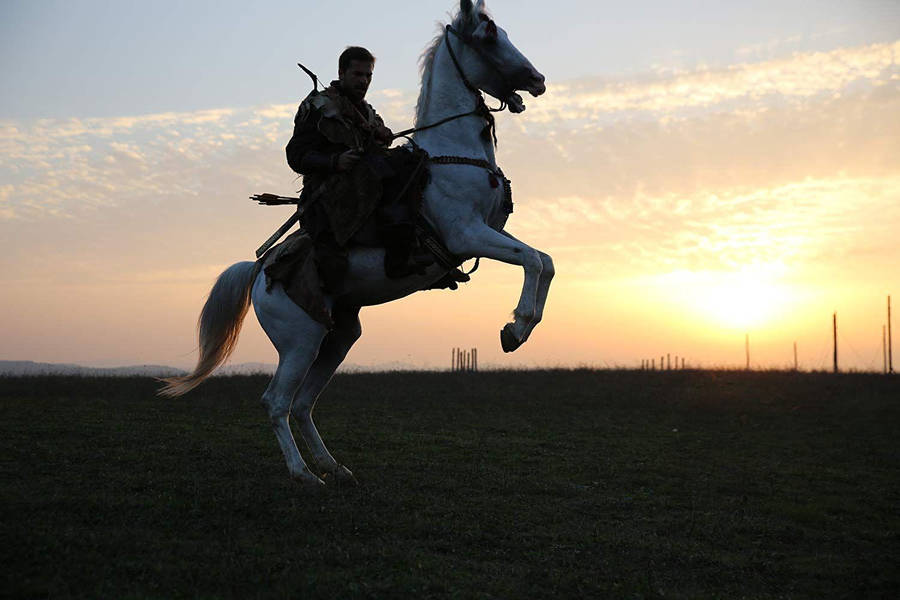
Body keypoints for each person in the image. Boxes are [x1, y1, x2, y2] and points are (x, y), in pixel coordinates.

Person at [286, 46, 433, 283]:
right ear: (341, 73)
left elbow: (377, 153)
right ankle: (399, 256)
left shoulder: (368, 114)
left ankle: (417, 249)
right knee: (333, 273)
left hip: (367, 190)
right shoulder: (319, 107)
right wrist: (335, 161)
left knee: (413, 162)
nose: (364, 81)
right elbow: (295, 154)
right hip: (329, 197)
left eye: (368, 76)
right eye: (357, 74)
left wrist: (382, 137)